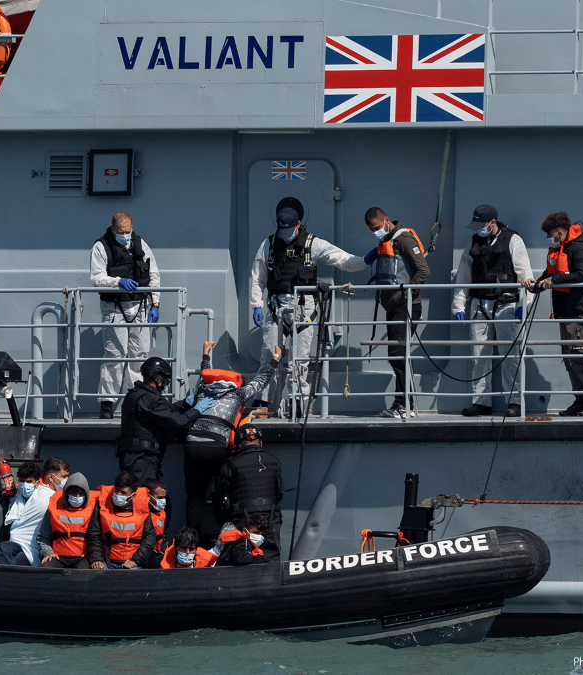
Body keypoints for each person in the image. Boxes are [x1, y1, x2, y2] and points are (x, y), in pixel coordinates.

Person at [250, 201, 368, 417]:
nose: (285, 234)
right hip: (276, 309)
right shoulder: (268, 245)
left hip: (304, 311)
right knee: (268, 356)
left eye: (289, 229)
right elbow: (258, 277)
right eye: (281, 229)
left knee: (299, 360)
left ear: (298, 224)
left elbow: (342, 259)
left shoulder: (313, 244)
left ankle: (297, 401)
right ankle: (262, 402)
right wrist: (256, 305)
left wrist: (365, 261)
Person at [182, 340, 282, 543]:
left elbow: (205, 374)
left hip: (192, 445)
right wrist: (276, 358)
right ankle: (227, 538)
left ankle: (192, 544)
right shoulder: (238, 392)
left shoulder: (204, 388)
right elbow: (260, 381)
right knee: (226, 494)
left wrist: (205, 354)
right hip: (216, 447)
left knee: (195, 498)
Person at [451, 205, 536, 417]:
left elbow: (525, 273)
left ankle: (514, 402)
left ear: (493, 222)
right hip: (480, 305)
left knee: (511, 355)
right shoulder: (473, 243)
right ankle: (481, 402)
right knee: (478, 355)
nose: (478, 229)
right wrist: (459, 303)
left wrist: (524, 305)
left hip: (506, 304)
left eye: (482, 225)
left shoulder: (513, 240)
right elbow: (464, 275)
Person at [523, 212, 583, 417]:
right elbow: (551, 274)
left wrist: (553, 281)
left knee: (579, 358)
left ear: (560, 232)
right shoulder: (560, 248)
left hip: (579, 311)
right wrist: (536, 284)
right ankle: (581, 401)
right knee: (570, 360)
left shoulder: (579, 246)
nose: (549, 239)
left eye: (550, 234)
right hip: (565, 312)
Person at [91, 211, 161, 420]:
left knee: (140, 355)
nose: (125, 235)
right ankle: (107, 405)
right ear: (113, 230)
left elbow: (154, 274)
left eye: (128, 231)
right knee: (114, 356)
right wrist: (118, 281)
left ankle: (139, 402)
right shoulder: (101, 247)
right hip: (114, 307)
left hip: (140, 305)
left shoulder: (140, 244)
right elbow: (96, 278)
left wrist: (155, 302)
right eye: (121, 232)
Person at [363, 207, 430, 419]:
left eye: (377, 227)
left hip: (406, 306)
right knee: (397, 355)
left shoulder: (404, 239)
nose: (376, 232)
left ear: (386, 220)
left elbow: (423, 271)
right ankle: (404, 402)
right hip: (393, 307)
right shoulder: (386, 242)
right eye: (372, 230)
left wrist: (405, 293)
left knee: (398, 354)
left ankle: (403, 404)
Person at [117, 356, 201, 484]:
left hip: (133, 456)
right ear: (158, 380)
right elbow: (178, 421)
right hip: (143, 459)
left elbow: (163, 411)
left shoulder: (134, 394)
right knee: (143, 493)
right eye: (165, 382)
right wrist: (197, 410)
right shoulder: (150, 398)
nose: (164, 386)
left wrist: (185, 404)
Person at [212, 424, 283, 562]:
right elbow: (279, 493)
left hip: (242, 518)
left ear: (238, 444)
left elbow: (218, 495)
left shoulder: (230, 465)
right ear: (260, 442)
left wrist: (222, 519)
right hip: (271, 515)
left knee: (243, 557)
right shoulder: (275, 461)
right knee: (272, 557)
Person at [88, 471, 158, 569]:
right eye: (117, 490)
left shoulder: (142, 507)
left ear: (132, 496)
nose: (118, 494)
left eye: (123, 492)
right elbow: (94, 534)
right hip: (106, 561)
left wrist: (136, 560)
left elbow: (149, 537)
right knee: (97, 574)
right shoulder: (101, 505)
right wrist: (96, 559)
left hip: (133, 563)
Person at [0, 462, 54, 566]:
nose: (25, 485)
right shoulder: (16, 498)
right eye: (22, 481)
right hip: (16, 542)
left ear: (37, 483)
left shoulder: (46, 496)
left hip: (34, 547)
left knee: (17, 560)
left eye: (29, 481)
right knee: (3, 546)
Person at [38, 472, 96, 569]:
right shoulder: (53, 509)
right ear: (66, 493)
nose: (77, 497)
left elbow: (97, 538)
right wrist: (48, 552)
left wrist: (91, 554)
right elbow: (42, 537)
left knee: (85, 572)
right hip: (57, 557)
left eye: (81, 493)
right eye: (73, 493)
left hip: (82, 558)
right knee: (46, 567)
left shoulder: (93, 510)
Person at [143, 476, 169, 567]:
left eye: (164, 497)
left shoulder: (161, 513)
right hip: (146, 555)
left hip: (159, 551)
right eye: (159, 498)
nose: (163, 501)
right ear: (148, 496)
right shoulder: (141, 514)